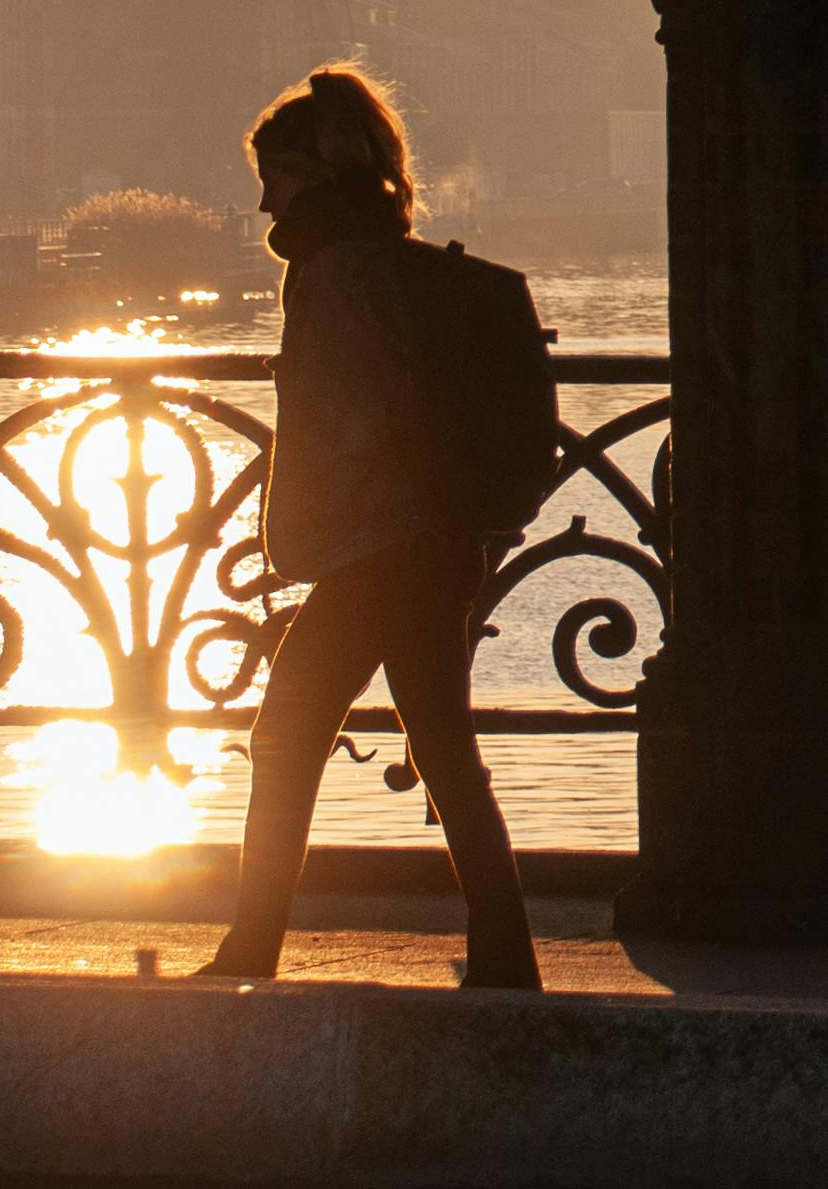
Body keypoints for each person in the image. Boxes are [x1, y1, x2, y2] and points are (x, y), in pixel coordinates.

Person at [197, 66, 538, 988]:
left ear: (312, 173)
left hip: (382, 545)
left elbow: (355, 414)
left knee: (286, 733)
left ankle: (253, 945)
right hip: (427, 541)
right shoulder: (376, 256)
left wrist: (311, 521)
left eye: (274, 175)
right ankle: (505, 952)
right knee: (440, 741)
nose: (264, 196)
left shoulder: (335, 271)